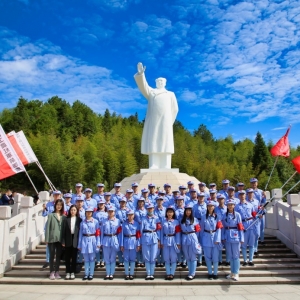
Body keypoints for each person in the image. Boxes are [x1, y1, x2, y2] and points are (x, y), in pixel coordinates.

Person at [134, 62, 178, 169]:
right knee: (154, 139)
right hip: (154, 121)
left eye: (162, 81)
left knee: (165, 141)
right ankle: (154, 164)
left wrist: (169, 122)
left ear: (165, 82)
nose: (160, 82)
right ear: (156, 82)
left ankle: (166, 164)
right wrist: (141, 75)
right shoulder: (152, 92)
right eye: (158, 81)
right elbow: (144, 86)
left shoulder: (170, 94)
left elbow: (175, 109)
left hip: (166, 121)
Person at [222, 199, 244, 281]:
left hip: (236, 236)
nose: (230, 206)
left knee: (236, 256)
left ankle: (236, 272)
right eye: (229, 205)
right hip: (227, 236)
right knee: (230, 256)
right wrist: (223, 237)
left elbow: (240, 227)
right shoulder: (225, 215)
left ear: (234, 206)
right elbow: (223, 227)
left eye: (232, 205)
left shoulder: (237, 215)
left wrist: (242, 238)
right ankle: (232, 272)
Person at [200, 200, 223, 280]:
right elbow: (201, 229)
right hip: (206, 238)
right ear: (207, 207)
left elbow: (219, 228)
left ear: (214, 207)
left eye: (212, 206)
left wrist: (218, 239)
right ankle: (210, 272)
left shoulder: (217, 216)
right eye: (209, 206)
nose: (210, 208)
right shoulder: (203, 217)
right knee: (207, 257)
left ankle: (215, 273)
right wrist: (201, 240)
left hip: (215, 237)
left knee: (215, 257)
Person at [45, 199, 66, 280]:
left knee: (58, 256)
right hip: (52, 238)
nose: (59, 206)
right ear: (55, 205)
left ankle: (57, 271)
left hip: (60, 239)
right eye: (58, 205)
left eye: (60, 205)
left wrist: (64, 240)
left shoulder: (64, 217)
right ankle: (51, 272)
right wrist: (47, 238)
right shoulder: (51, 215)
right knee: (51, 256)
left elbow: (64, 230)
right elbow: (48, 228)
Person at [78, 208, 101, 280]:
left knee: (92, 258)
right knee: (86, 259)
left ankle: (91, 274)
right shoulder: (82, 223)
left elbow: (98, 233)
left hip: (92, 239)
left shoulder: (96, 222)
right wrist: (79, 244)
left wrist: (98, 242)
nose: (89, 213)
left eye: (90, 212)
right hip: (84, 240)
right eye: (87, 212)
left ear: (92, 213)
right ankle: (86, 273)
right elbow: (80, 234)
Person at [235, 190, 257, 266]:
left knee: (251, 244)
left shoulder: (250, 205)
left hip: (251, 225)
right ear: (238, 196)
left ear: (245, 195)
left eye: (243, 194)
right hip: (242, 225)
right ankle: (245, 260)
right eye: (240, 195)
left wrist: (259, 216)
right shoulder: (237, 207)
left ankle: (251, 260)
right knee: (243, 245)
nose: (242, 196)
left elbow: (254, 215)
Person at [141, 203, 162, 280]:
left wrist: (159, 240)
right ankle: (148, 273)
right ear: (146, 209)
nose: (150, 210)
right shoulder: (143, 219)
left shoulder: (157, 218)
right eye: (148, 208)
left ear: (153, 209)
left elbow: (159, 230)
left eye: (151, 208)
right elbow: (141, 231)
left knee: (153, 257)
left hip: (154, 237)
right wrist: (140, 241)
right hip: (145, 237)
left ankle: (152, 273)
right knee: (146, 256)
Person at [180, 203, 201, 281]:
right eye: (187, 210)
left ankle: (193, 273)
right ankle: (190, 272)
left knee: (193, 257)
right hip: (184, 238)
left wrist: (196, 240)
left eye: (189, 210)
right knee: (187, 256)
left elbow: (198, 231)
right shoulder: (182, 220)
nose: (188, 212)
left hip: (192, 237)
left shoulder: (195, 220)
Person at [101, 206, 122, 280]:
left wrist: (120, 242)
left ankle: (111, 273)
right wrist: (101, 242)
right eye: (109, 211)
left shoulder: (118, 221)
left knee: (113, 257)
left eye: (112, 211)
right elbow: (102, 233)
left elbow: (119, 233)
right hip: (106, 239)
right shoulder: (104, 221)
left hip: (114, 238)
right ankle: (107, 273)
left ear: (114, 212)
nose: (110, 212)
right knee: (107, 257)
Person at [61, 205, 82, 280]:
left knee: (74, 257)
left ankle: (72, 272)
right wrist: (63, 241)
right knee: (67, 257)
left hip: (75, 240)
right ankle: (67, 272)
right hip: (67, 239)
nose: (73, 211)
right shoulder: (66, 219)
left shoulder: (79, 220)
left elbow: (80, 232)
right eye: (72, 210)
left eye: (74, 210)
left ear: (76, 211)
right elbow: (63, 231)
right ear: (70, 211)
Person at [121, 210, 141, 280]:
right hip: (126, 241)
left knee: (132, 259)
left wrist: (138, 244)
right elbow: (121, 235)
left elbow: (138, 235)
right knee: (126, 259)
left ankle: (131, 274)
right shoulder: (124, 224)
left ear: (134, 216)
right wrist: (121, 244)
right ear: (127, 215)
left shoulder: (137, 224)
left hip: (134, 241)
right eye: (129, 215)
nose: (130, 216)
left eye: (131, 215)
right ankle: (127, 274)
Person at [162, 207, 181, 280]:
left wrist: (178, 242)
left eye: (171, 212)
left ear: (173, 213)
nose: (169, 213)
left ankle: (172, 273)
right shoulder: (163, 221)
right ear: (166, 213)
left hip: (173, 240)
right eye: (168, 212)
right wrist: (161, 241)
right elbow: (161, 232)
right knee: (166, 258)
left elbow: (178, 233)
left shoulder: (176, 222)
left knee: (173, 258)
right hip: (165, 240)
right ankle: (168, 273)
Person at [250, 178, 267, 246]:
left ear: (257, 183)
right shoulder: (249, 191)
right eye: (252, 183)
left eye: (255, 182)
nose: (254, 184)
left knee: (262, 226)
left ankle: (262, 240)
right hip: (252, 211)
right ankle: (253, 241)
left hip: (260, 210)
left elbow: (263, 202)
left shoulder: (261, 191)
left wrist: (265, 196)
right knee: (252, 225)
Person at [193, 192, 207, 266]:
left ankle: (204, 257)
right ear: (197, 197)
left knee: (203, 241)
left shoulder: (207, 206)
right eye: (200, 197)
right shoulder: (194, 206)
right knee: (197, 241)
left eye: (202, 197)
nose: (201, 198)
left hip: (204, 224)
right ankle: (199, 259)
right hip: (196, 224)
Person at [93, 199, 108, 268]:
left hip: (104, 231)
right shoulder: (95, 213)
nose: (101, 205)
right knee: (97, 246)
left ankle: (103, 260)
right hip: (97, 230)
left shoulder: (107, 213)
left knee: (104, 246)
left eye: (102, 204)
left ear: (104, 204)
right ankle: (98, 260)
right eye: (100, 204)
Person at [215, 194, 228, 265]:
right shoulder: (215, 209)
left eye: (222, 199)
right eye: (219, 199)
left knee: (227, 245)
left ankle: (228, 260)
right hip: (219, 229)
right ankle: (220, 260)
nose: (220, 200)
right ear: (217, 200)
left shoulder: (227, 208)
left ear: (224, 200)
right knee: (219, 245)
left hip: (226, 229)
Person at [154, 196, 166, 267]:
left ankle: (163, 260)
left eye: (161, 200)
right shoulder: (154, 210)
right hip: (157, 229)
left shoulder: (165, 210)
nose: (159, 202)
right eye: (158, 200)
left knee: (164, 244)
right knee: (158, 244)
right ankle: (158, 260)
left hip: (164, 228)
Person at [175, 196, 186, 268]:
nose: (180, 202)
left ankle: (184, 261)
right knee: (178, 245)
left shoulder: (186, 210)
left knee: (185, 245)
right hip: (178, 230)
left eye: (181, 201)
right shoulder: (174, 211)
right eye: (178, 201)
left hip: (185, 230)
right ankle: (179, 260)